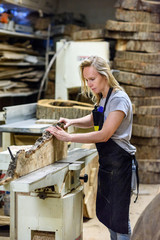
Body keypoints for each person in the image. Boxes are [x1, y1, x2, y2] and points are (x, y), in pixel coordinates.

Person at [46, 56, 138, 240]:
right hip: (109, 164)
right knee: (110, 217)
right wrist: (72, 121)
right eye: (86, 80)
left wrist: (69, 137)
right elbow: (95, 118)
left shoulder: (118, 99)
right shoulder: (104, 97)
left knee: (119, 220)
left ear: (105, 75)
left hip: (120, 166)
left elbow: (104, 133)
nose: (89, 84)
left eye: (92, 79)